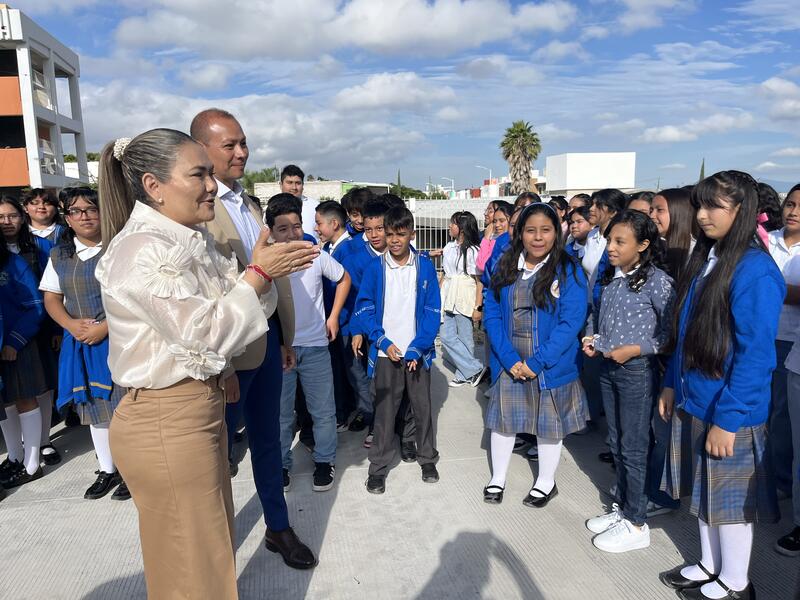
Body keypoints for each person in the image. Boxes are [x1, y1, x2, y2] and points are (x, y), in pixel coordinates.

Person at [96, 128, 318, 599]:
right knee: (192, 571)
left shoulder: (187, 238)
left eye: (210, 174)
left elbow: (237, 315)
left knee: (207, 558)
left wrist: (258, 277)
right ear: (154, 185)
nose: (212, 185)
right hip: (165, 419)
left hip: (194, 412)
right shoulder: (143, 249)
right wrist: (258, 275)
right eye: (198, 174)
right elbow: (205, 332)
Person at [190, 108, 317, 570]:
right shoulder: (195, 209)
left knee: (268, 439)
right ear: (202, 149)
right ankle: (216, 544)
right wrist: (220, 364)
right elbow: (203, 290)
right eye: (231, 145)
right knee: (216, 454)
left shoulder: (252, 204)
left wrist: (285, 332)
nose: (242, 152)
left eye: (244, 142)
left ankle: (277, 527)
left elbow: (275, 273)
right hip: (224, 349)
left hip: (266, 340)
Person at [658, 171, 783, 600]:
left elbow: (756, 357)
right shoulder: (707, 258)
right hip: (696, 399)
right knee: (706, 493)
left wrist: (728, 420)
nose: (702, 214)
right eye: (699, 204)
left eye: (714, 206)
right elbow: (687, 331)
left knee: (730, 506)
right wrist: (673, 384)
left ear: (742, 212)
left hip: (730, 411)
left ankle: (736, 582)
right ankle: (710, 566)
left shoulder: (755, 270)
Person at [482, 203, 588, 507]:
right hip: (509, 357)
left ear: (556, 232)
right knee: (503, 421)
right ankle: (497, 477)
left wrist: (536, 362)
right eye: (530, 230)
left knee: (548, 425)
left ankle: (546, 481)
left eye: (546, 230)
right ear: (520, 234)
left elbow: (571, 323)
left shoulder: (568, 270)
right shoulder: (505, 264)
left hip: (549, 361)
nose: (538, 237)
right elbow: (491, 312)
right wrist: (508, 359)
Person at [582, 210, 675, 553]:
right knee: (618, 442)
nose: (611, 247)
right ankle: (624, 505)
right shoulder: (610, 277)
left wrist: (635, 349)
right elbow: (596, 315)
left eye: (620, 241)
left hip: (636, 372)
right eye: (610, 240)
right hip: (608, 369)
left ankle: (637, 523)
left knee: (635, 447)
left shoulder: (658, 282)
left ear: (644, 244)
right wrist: (591, 338)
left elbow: (670, 335)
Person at [38, 187, 130, 500]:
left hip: (120, 338)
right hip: (80, 342)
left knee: (124, 406)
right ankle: (107, 468)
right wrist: (71, 325)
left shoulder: (119, 249)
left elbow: (135, 297)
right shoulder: (60, 255)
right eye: (76, 211)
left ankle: (131, 471)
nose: (85, 216)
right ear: (67, 218)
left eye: (91, 209)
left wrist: (104, 326)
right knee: (93, 408)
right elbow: (51, 298)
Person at [353, 206, 441, 494]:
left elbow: (431, 311)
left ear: (412, 235)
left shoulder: (424, 266)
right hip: (385, 354)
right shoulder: (375, 269)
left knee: (422, 409)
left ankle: (427, 458)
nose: (393, 240)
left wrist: (418, 347)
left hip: (417, 353)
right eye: (389, 234)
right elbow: (364, 309)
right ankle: (378, 467)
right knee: (385, 412)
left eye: (400, 235)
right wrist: (382, 341)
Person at [267, 194, 351, 493]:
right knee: (280, 415)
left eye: (297, 226)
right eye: (283, 228)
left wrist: (334, 316)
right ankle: (281, 466)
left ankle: (325, 461)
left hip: (316, 346)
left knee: (323, 411)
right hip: (280, 350)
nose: (292, 233)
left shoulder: (315, 254)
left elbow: (344, 279)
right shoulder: (266, 262)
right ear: (271, 232)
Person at [0, 235, 45, 489]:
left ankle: (32, 462)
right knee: (5, 402)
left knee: (24, 399)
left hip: (17, 345)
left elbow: (36, 306)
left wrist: (14, 342)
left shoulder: (14, 264)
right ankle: (15, 456)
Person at [768, 183, 800, 538]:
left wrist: (772, 287)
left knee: (783, 418)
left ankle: (783, 481)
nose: (793, 211)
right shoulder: (766, 240)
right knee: (770, 415)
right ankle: (776, 477)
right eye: (790, 203)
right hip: (763, 337)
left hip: (791, 342)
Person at [315, 200, 362, 431]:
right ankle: (345, 411)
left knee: (352, 372)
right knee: (338, 370)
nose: (316, 228)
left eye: (319, 223)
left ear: (334, 223)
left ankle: (360, 413)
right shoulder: (327, 248)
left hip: (345, 321)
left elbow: (351, 291)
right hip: (334, 321)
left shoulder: (350, 251)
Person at [440, 211, 485, 388]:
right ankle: (475, 368)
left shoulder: (474, 250)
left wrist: (477, 306)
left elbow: (478, 281)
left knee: (466, 338)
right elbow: (445, 273)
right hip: (449, 294)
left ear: (462, 228)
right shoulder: (449, 247)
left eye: (453, 223)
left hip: (465, 294)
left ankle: (463, 373)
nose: (450, 227)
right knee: (446, 336)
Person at [650, 188, 696, 283]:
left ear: (679, 212)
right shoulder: (653, 246)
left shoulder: (695, 252)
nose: (652, 216)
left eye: (660, 210)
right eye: (651, 210)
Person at [280, 164, 318, 239]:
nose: (294, 187)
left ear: (303, 185)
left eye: (298, 183)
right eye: (289, 182)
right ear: (281, 185)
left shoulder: (315, 207)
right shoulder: (272, 207)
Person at [476, 200, 512, 275]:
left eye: (490, 211)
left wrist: (486, 239)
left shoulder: (507, 241)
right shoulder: (489, 237)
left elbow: (482, 265)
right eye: (495, 221)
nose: (485, 214)